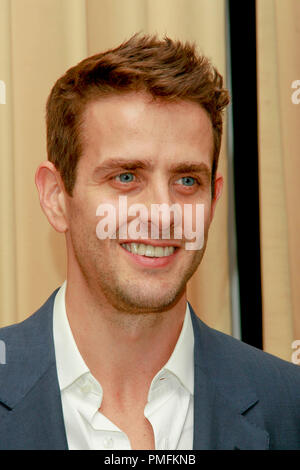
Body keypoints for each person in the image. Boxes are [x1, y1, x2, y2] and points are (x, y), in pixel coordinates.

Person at [0, 34, 300, 451]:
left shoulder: (289, 406)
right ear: (55, 197)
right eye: (126, 177)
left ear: (213, 200)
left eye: (186, 181)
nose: (162, 213)